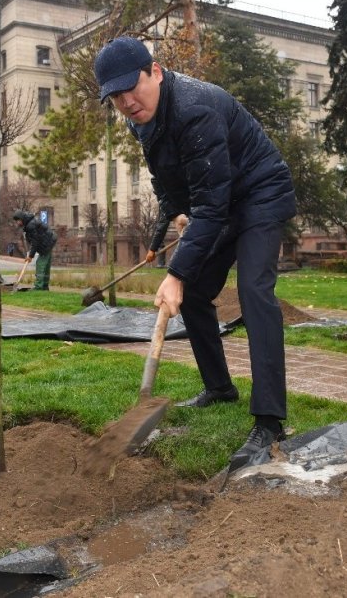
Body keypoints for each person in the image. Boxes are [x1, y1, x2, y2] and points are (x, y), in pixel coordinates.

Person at [94, 36, 297, 467]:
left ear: (157, 72)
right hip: (222, 201)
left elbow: (212, 205)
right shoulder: (141, 121)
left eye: (133, 86)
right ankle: (220, 387)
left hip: (260, 192)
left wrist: (176, 273)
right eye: (115, 96)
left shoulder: (194, 109)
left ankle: (270, 421)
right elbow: (168, 183)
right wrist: (160, 238)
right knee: (200, 293)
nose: (127, 101)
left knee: (254, 292)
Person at [12, 210, 57, 290]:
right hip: (49, 240)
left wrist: (30, 256)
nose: (17, 223)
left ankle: (39, 286)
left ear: (21, 219)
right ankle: (44, 286)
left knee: (40, 264)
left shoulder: (30, 225)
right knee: (45, 264)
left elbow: (35, 242)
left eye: (18, 221)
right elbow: (35, 241)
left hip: (47, 243)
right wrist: (30, 254)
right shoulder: (29, 223)